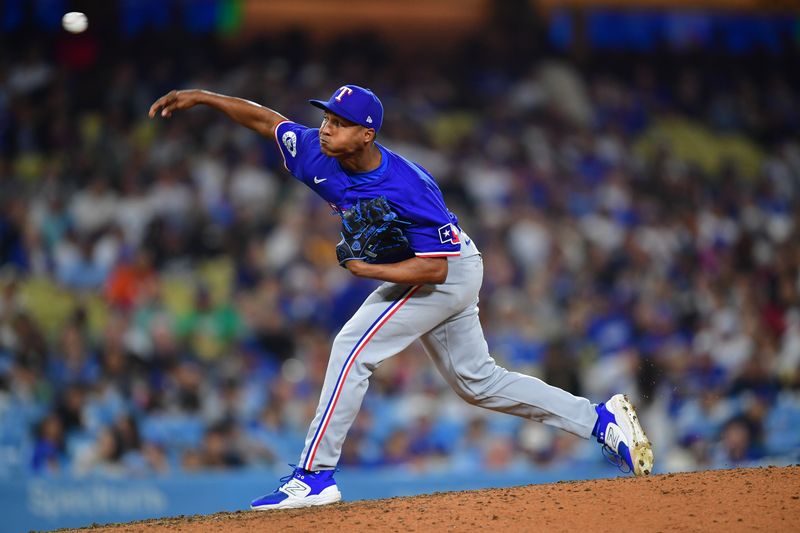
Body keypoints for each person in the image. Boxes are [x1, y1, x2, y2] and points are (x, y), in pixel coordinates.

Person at [148, 84, 654, 510]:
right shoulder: (314, 151)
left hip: (444, 271)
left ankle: (314, 475)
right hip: (433, 270)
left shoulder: (407, 184)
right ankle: (600, 421)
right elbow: (266, 121)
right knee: (478, 382)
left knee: (352, 346)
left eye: (340, 122)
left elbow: (434, 267)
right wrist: (202, 97)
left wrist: (369, 268)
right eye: (325, 116)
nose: (325, 127)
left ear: (366, 134)